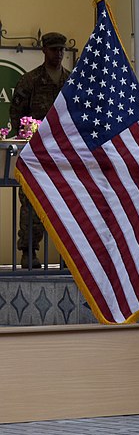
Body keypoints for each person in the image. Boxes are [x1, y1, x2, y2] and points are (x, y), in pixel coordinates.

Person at [9, 31, 69, 268]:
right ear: (44, 51)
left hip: (63, 153)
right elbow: (16, 114)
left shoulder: (70, 81)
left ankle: (68, 257)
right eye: (54, 49)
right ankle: (29, 252)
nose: (59, 54)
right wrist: (25, 141)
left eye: (62, 49)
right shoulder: (30, 80)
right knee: (32, 203)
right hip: (36, 152)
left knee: (67, 203)